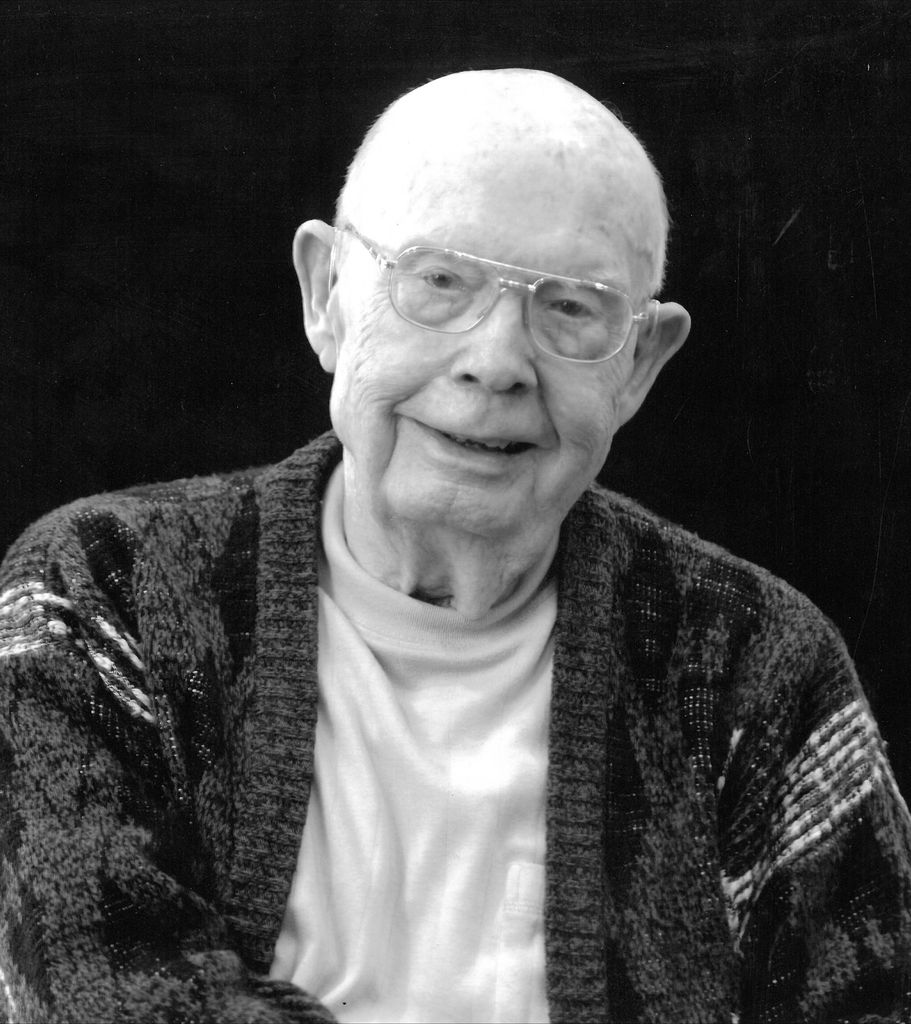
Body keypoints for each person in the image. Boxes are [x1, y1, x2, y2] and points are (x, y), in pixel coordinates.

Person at [0, 68, 908, 1024]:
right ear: (325, 294)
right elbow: (98, 996)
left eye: (571, 308)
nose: (497, 363)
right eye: (438, 281)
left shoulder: (756, 665)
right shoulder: (93, 598)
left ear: (639, 364)